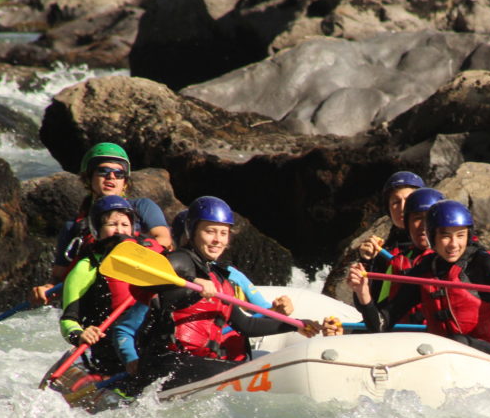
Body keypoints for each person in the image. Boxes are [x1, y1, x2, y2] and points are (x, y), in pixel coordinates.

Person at [118, 196, 320, 393]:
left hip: (197, 365)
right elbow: (149, 274)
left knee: (250, 368)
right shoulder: (183, 259)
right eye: (209, 231)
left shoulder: (221, 279)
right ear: (192, 230)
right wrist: (194, 281)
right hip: (169, 363)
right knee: (249, 375)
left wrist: (295, 325)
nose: (217, 240)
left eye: (223, 233)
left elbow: (246, 325)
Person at [348, 199, 490, 365]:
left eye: (460, 235)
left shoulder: (482, 262)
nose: (454, 244)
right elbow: (380, 325)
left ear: (468, 235)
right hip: (445, 357)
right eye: (445, 236)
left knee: (453, 343)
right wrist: (363, 293)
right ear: (432, 236)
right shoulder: (422, 272)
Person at [30, 142, 172, 305]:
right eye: (103, 171)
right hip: (94, 301)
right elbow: (59, 277)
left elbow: (164, 240)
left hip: (136, 295)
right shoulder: (74, 227)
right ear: (88, 178)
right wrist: (46, 290)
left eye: (118, 174)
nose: (111, 177)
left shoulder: (141, 208)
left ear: (124, 182)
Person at [58, 195, 162, 377]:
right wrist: (80, 334)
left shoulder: (148, 260)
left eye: (124, 225)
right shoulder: (86, 267)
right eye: (112, 225)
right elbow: (68, 319)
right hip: (110, 353)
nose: (119, 230)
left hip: (150, 344)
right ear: (97, 230)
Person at [357, 171, 427, 306]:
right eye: (396, 202)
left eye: (408, 200)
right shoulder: (383, 250)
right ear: (389, 210)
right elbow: (364, 304)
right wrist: (366, 261)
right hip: (388, 321)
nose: (402, 207)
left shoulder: (438, 244)